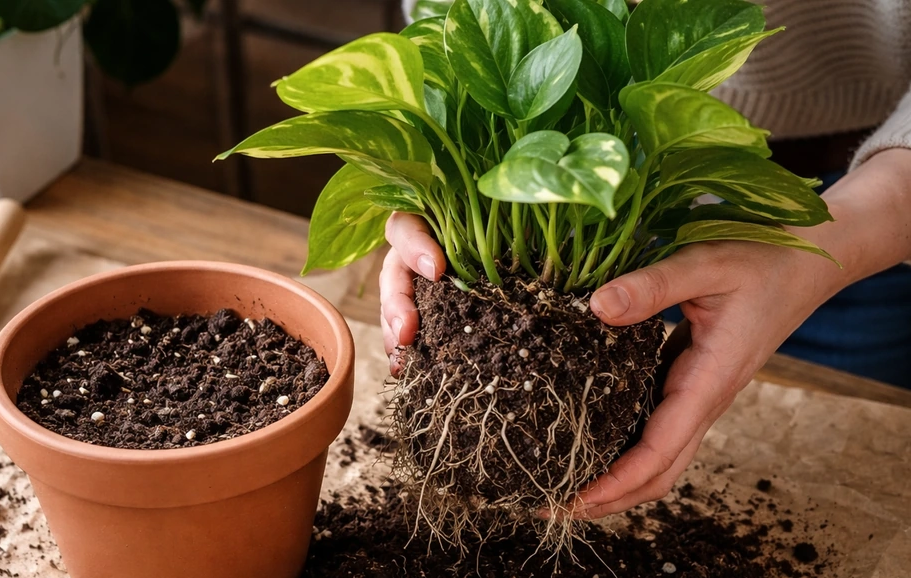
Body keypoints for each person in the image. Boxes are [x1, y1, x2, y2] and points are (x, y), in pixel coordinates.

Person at [380, 0, 911, 519]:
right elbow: (465, 22)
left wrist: (838, 240)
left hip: (862, 207)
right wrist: (443, 196)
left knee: (847, 443)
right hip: (588, 212)